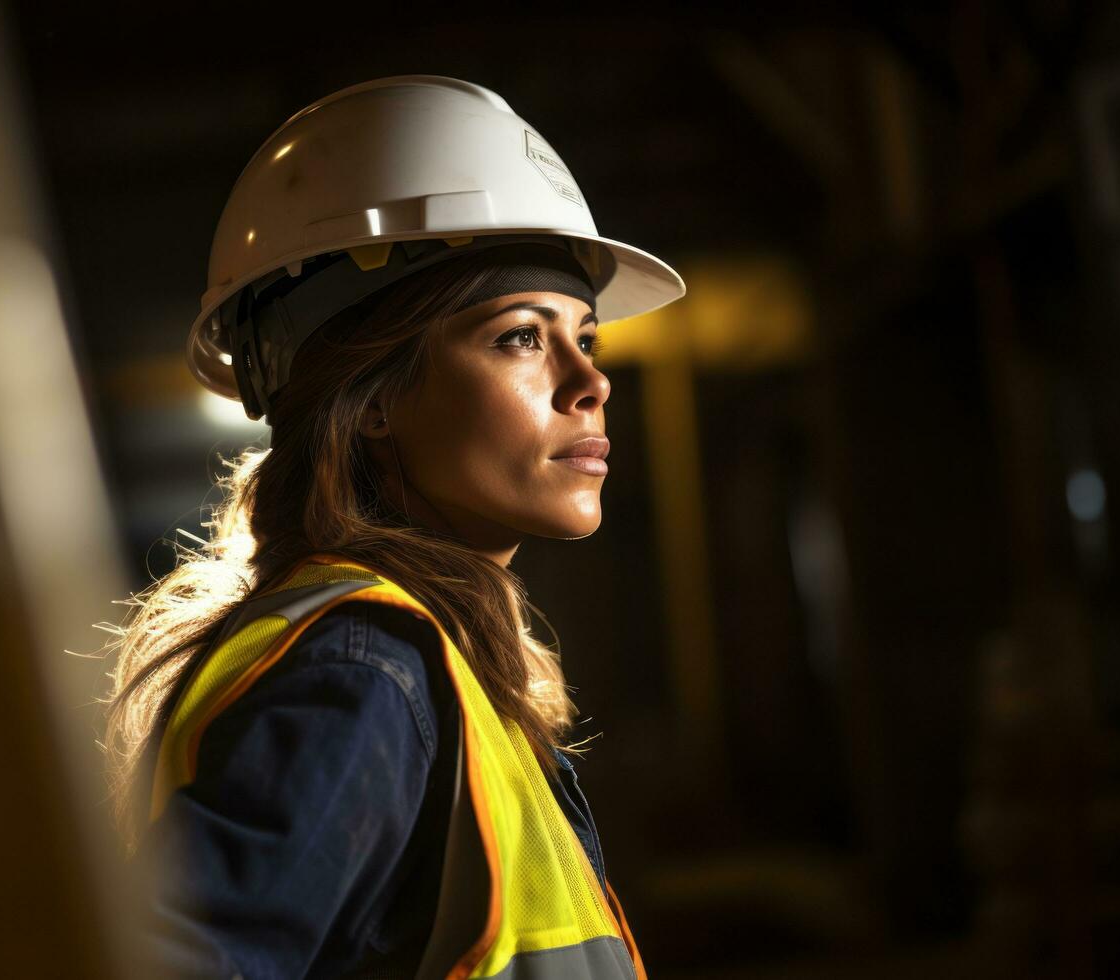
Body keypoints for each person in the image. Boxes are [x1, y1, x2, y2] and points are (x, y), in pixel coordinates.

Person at [100, 75, 685, 979]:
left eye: (586, 338)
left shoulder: (435, 671)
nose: (589, 382)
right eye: (520, 337)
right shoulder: (364, 673)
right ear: (370, 397)